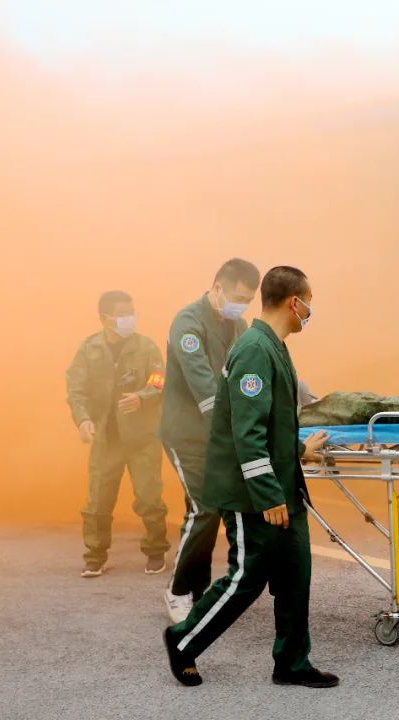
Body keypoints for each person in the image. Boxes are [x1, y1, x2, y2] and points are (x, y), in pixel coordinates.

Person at [163, 266, 333, 688]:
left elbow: (273, 426)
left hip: (281, 488)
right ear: (295, 302)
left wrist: (298, 450)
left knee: (296, 572)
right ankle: (183, 640)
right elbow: (246, 433)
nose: (310, 311)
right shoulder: (255, 349)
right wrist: (267, 495)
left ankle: (292, 663)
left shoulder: (272, 345)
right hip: (252, 493)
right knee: (247, 577)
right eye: (309, 301)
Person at [160, 258, 260, 623]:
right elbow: (202, 380)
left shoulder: (239, 324)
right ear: (217, 287)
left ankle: (198, 588)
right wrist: (236, 426)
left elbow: (249, 371)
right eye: (237, 297)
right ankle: (177, 590)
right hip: (184, 432)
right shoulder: (187, 322)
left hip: (216, 434)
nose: (241, 305)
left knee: (213, 509)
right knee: (203, 507)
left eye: (248, 300)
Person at [65, 291, 169, 578]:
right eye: (123, 313)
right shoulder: (89, 349)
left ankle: (155, 551)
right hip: (106, 439)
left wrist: (142, 397)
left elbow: (159, 381)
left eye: (132, 312)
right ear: (105, 318)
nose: (129, 318)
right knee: (98, 502)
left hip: (142, 438)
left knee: (149, 498)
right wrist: (83, 420)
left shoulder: (146, 347)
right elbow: (76, 389)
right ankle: (95, 556)